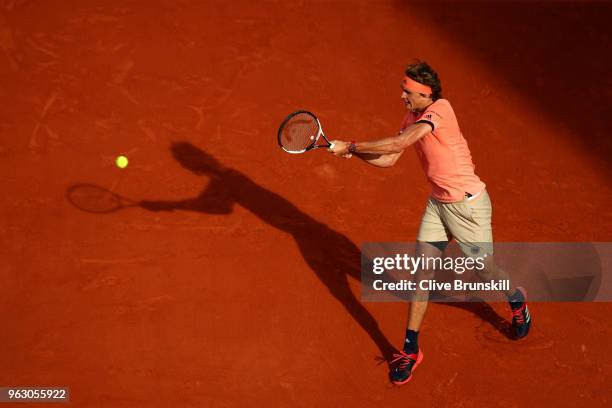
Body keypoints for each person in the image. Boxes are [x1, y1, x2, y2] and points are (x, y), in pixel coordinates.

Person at [328, 60, 531, 385]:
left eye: (407, 92)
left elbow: (398, 144)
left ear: (426, 94)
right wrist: (354, 154)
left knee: (485, 272)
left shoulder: (440, 111)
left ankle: (515, 299)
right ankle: (411, 350)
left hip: (469, 209)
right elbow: (390, 159)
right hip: (439, 206)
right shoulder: (412, 117)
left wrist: (351, 145)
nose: (402, 96)